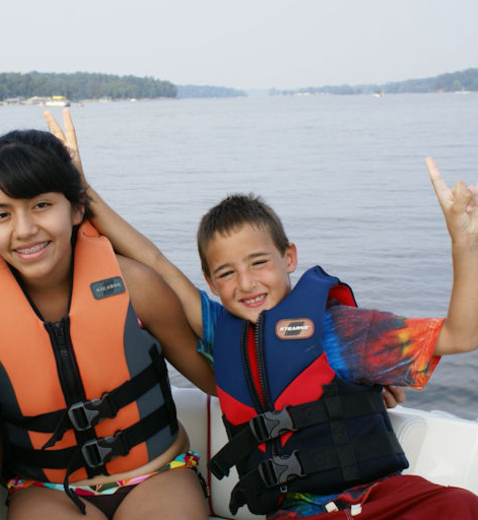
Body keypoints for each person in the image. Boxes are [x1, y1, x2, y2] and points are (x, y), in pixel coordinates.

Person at [45, 108, 478, 520]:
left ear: (289, 256)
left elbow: (461, 335)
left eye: (259, 262)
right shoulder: (220, 331)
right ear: (210, 282)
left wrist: (464, 243)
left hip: (382, 502)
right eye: (227, 273)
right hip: (293, 512)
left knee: (460, 505)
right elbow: (156, 263)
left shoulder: (343, 331)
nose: (247, 283)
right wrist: (82, 190)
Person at [0, 128, 216, 520]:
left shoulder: (135, 285)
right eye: (2, 214)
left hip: (157, 474)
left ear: (76, 209)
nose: (23, 230)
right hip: (44, 490)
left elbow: (213, 379)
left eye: (41, 205)